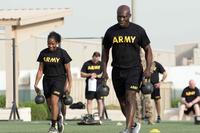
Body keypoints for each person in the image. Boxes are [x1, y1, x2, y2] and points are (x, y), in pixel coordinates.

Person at [102, 5, 153, 133]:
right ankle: (133, 126)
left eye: (124, 17)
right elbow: (105, 52)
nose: (121, 19)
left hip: (134, 70)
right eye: (119, 17)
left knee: (130, 97)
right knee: (122, 102)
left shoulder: (138, 31)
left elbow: (148, 50)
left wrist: (148, 68)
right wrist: (104, 70)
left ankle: (126, 129)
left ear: (129, 16)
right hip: (117, 70)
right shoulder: (110, 32)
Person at [34, 31, 72, 133]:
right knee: (50, 105)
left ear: (57, 42)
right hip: (47, 80)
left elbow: (68, 71)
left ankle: (53, 126)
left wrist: (69, 85)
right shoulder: (43, 53)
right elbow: (40, 70)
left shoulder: (62, 53)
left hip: (59, 79)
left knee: (55, 101)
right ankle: (59, 118)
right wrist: (36, 83)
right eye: (49, 43)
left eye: (53, 43)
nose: (50, 45)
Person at [80, 51, 104, 122]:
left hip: (99, 85)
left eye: (97, 57)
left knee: (99, 100)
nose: (96, 59)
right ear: (92, 56)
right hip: (90, 85)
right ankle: (90, 116)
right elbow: (81, 74)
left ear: (99, 57)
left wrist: (96, 75)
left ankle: (100, 116)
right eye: (95, 57)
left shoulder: (101, 64)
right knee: (89, 100)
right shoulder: (87, 63)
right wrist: (89, 75)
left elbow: (103, 74)